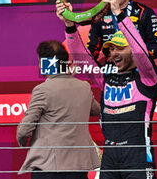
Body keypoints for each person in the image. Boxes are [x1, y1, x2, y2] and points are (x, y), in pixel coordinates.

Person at [56, 0, 157, 179]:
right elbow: (82, 59)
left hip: (138, 156)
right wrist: (69, 25)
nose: (113, 53)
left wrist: (119, 15)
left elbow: (140, 50)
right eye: (111, 49)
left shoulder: (147, 77)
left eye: (119, 48)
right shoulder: (106, 78)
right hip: (110, 157)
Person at [16, 40, 101, 179]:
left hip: (48, 166)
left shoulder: (42, 90)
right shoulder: (84, 87)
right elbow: (96, 110)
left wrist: (22, 141)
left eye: (39, 62)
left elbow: (24, 129)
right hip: (78, 165)